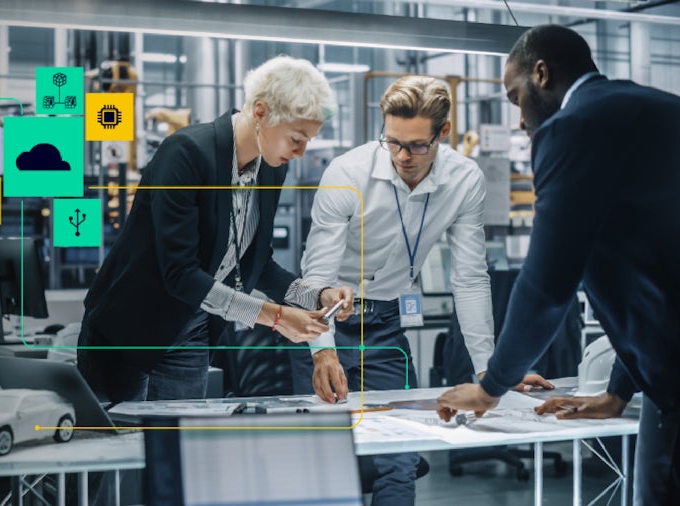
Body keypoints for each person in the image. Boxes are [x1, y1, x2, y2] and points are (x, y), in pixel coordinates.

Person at [435, 24, 680, 504]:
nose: (521, 119)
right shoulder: (660, 110)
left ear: (541, 74)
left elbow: (548, 284)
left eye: (516, 98)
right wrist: (617, 392)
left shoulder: (572, 128)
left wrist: (491, 388)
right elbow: (657, 268)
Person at [288, 75, 551, 506]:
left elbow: (468, 278)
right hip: (325, 322)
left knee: (400, 457)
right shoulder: (347, 173)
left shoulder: (464, 180)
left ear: (442, 132)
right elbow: (315, 273)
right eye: (392, 142)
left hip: (387, 325)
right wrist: (322, 350)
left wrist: (489, 368)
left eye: (416, 145)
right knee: (324, 459)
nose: (402, 156)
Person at [77, 55, 354, 404]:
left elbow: (257, 263)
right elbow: (179, 274)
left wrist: (316, 296)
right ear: (260, 112)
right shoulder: (187, 153)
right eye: (296, 138)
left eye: (308, 141)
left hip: (192, 331)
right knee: (118, 447)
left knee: (178, 448)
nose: (301, 152)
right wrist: (276, 316)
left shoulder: (271, 169)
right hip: (130, 330)